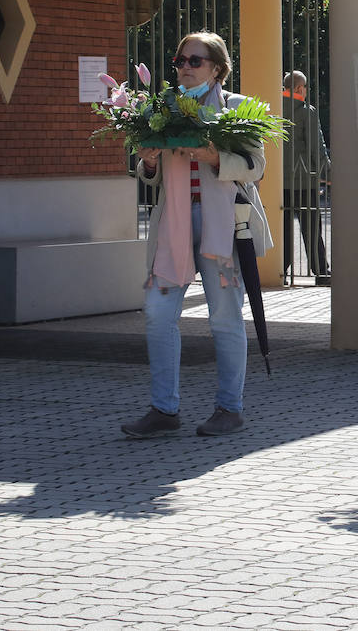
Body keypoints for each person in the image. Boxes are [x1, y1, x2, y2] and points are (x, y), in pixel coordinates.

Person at [121, 31, 272, 439]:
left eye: (195, 61)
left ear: (218, 68)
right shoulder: (161, 108)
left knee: (223, 318)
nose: (185, 67)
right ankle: (164, 410)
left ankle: (230, 408)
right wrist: (148, 161)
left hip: (222, 223)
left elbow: (256, 167)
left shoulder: (238, 108)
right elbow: (149, 178)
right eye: (180, 60)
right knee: (156, 313)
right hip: (173, 223)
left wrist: (213, 156)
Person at [281, 70, 330, 284]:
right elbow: (315, 148)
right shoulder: (305, 112)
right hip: (303, 180)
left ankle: (280, 270)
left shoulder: (273, 108)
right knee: (311, 230)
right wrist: (327, 174)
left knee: (282, 229)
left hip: (279, 182)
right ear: (300, 89)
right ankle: (320, 271)